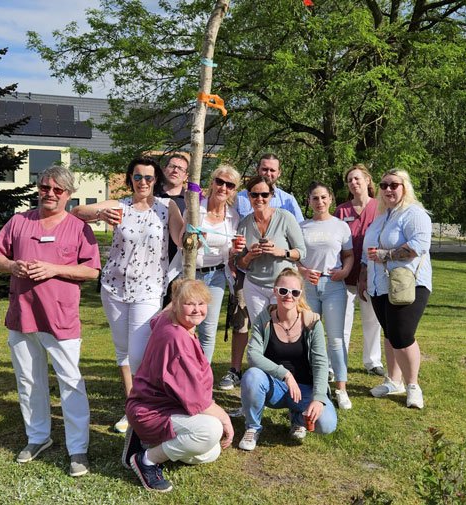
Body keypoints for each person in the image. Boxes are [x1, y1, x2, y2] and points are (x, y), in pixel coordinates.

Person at [0, 165, 101, 477]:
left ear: (68, 194)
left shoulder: (78, 228)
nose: (49, 193)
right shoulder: (19, 221)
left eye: (57, 190)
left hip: (60, 317)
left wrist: (54, 269)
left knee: (70, 382)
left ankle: (77, 448)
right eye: (44, 187)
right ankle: (38, 437)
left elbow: (91, 270)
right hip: (22, 314)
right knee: (28, 380)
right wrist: (12, 266)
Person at [71, 157, 184, 433]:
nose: (143, 182)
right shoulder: (119, 205)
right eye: (137, 177)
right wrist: (101, 215)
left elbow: (181, 239)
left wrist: (194, 226)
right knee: (122, 351)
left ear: (156, 180)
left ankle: (148, 405)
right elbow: (77, 212)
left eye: (148, 177)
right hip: (114, 288)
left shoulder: (166, 207)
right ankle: (132, 407)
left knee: (138, 354)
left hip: (149, 289)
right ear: (129, 179)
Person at [123, 279, 234, 492]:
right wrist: (225, 419)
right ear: (176, 304)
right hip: (150, 411)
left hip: (165, 405)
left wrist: (182, 289)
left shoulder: (167, 319)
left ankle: (145, 441)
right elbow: (197, 400)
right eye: (189, 303)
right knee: (211, 430)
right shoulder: (177, 339)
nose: (197, 309)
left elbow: (156, 318)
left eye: (201, 303)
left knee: (210, 452)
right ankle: (146, 460)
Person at [220, 154, 304, 390]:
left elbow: (301, 251)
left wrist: (280, 252)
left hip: (282, 284)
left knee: (283, 327)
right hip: (253, 283)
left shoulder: (286, 213)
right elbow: (239, 259)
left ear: (272, 195)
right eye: (255, 195)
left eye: (264, 195)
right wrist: (248, 256)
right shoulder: (244, 221)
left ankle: (287, 372)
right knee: (257, 328)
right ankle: (253, 373)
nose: (259, 198)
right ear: (248, 196)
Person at [238, 268, 337, 451]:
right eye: (283, 291)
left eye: (294, 292)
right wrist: (285, 375)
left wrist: (318, 398)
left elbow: (320, 363)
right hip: (274, 387)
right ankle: (252, 427)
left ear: (300, 295)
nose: (288, 296)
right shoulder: (264, 319)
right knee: (252, 376)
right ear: (275, 291)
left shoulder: (312, 323)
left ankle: (298, 417)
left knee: (327, 423)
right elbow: (253, 355)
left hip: (305, 389)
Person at [360, 169, 432, 409]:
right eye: (383, 185)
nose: (388, 189)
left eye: (394, 185)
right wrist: (363, 276)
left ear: (405, 187)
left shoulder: (414, 213)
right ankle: (393, 381)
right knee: (390, 333)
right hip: (379, 285)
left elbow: (418, 246)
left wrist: (385, 255)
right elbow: (367, 252)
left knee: (402, 335)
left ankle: (413, 386)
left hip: (408, 284)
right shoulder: (381, 217)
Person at [298, 182, 355, 409]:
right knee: (309, 337)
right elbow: (294, 258)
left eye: (323, 197)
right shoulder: (302, 227)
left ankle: (341, 388)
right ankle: (313, 384)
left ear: (330, 199)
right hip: (308, 287)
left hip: (333, 286)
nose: (320, 202)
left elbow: (349, 255)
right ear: (309, 201)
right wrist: (303, 271)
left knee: (335, 339)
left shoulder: (341, 226)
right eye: (315, 198)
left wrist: (345, 271)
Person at [334, 164, 384, 377]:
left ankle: (373, 361)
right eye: (349, 180)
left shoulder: (380, 207)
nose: (353, 183)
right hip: (345, 274)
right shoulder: (342, 210)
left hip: (372, 273)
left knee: (372, 319)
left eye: (357, 179)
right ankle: (338, 363)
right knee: (342, 321)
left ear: (367, 180)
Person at [189, 164, 242, 362]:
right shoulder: (195, 210)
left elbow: (228, 252)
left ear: (234, 190)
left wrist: (234, 251)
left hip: (216, 276)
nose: (223, 188)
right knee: (187, 326)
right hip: (191, 274)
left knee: (208, 330)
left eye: (230, 185)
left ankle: (203, 374)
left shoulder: (233, 216)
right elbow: (182, 244)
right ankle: (183, 372)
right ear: (212, 183)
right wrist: (195, 241)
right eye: (220, 182)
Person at [158, 152, 190, 307]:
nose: (175, 170)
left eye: (180, 168)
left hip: (178, 268)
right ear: (165, 169)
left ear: (186, 176)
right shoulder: (151, 196)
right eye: (172, 166)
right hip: (152, 266)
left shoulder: (191, 202)